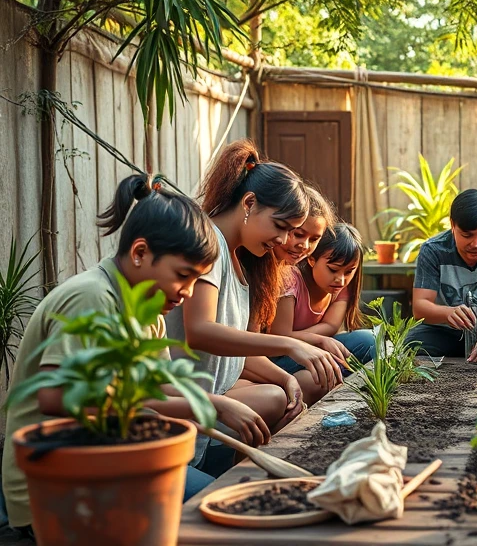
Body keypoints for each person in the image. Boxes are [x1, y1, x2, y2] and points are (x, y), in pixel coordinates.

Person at [0, 175, 266, 536]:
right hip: (55, 487)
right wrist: (210, 404)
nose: (188, 292)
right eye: (183, 276)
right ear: (140, 253)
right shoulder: (92, 298)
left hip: (111, 458)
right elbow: (57, 399)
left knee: (223, 499)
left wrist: (211, 401)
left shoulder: (147, 310)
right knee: (213, 511)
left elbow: (158, 386)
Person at [165, 140, 346, 476]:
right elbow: (201, 332)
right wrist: (291, 343)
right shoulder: (209, 244)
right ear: (249, 204)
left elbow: (232, 348)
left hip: (204, 403)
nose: (282, 241)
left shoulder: (240, 257)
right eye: (280, 228)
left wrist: (284, 378)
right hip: (173, 408)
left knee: (280, 397)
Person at [409, 189, 477, 363]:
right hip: (444, 331)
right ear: (452, 225)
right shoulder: (432, 250)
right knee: (411, 344)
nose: (476, 244)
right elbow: (420, 306)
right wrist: (448, 313)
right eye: (466, 235)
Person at [270, 223, 377, 404]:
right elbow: (281, 336)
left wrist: (321, 341)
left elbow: (331, 326)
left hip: (314, 348)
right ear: (312, 259)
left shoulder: (342, 283)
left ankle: (335, 373)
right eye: (333, 269)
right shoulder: (291, 280)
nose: (341, 279)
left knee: (370, 340)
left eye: (349, 271)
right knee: (316, 377)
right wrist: (319, 340)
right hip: (283, 355)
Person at [272, 181, 332, 267]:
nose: (305, 246)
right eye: (298, 234)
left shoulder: (295, 276)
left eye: (313, 239)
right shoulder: (247, 271)